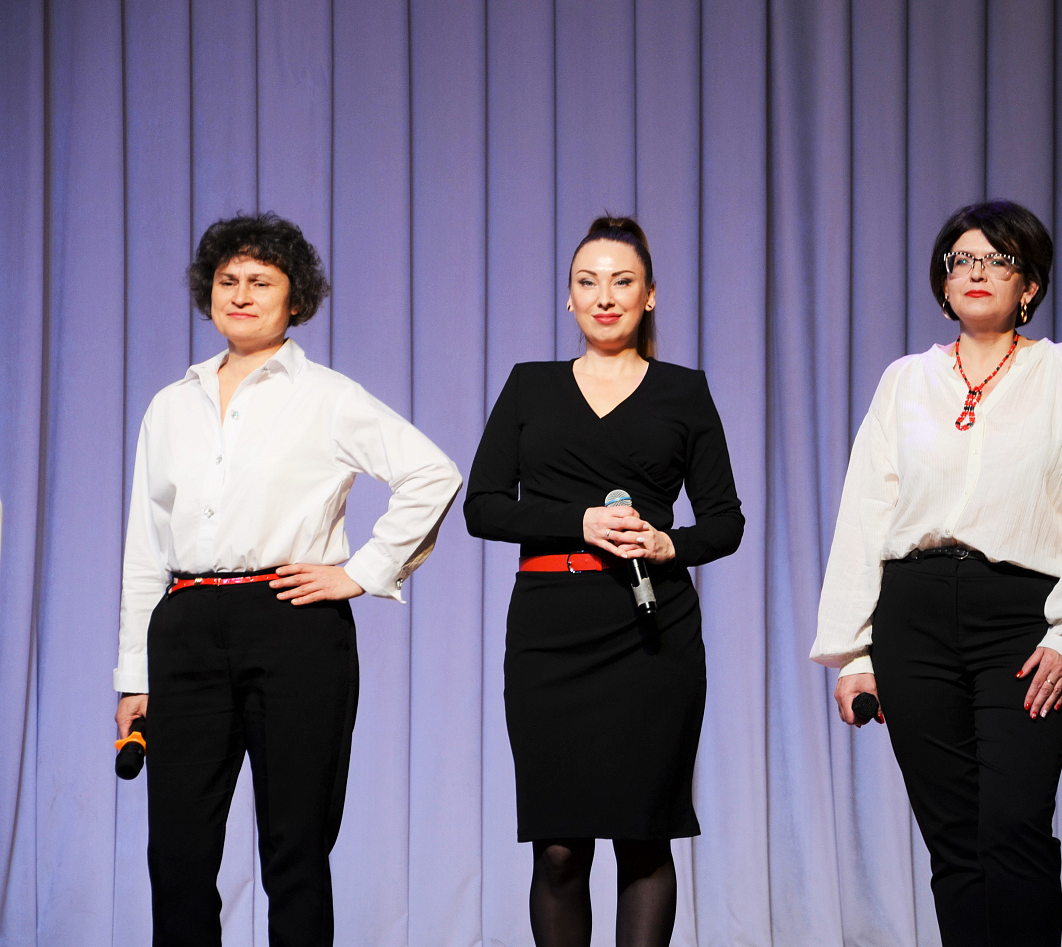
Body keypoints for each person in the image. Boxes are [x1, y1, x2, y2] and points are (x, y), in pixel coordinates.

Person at [112, 213, 463, 946]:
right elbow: (145, 546)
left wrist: (362, 572)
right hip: (186, 625)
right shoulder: (170, 405)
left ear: (295, 299)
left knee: (295, 850)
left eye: (260, 282)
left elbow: (432, 474)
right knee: (176, 854)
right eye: (227, 281)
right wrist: (133, 675)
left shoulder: (328, 396)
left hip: (291, 624)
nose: (240, 295)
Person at [810, 200, 1062, 946]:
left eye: (999, 259)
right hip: (914, 615)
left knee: (1016, 828)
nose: (977, 271)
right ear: (944, 281)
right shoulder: (906, 381)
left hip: (1023, 620)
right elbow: (865, 513)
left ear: (1029, 285)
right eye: (963, 260)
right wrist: (854, 654)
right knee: (953, 840)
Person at [465, 215, 744, 947]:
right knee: (558, 848)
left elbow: (726, 522)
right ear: (569, 298)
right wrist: (578, 522)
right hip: (549, 632)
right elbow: (482, 508)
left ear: (650, 295)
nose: (605, 296)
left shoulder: (683, 391)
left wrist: (668, 543)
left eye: (622, 282)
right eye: (588, 283)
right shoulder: (530, 386)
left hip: (651, 633)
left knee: (643, 838)